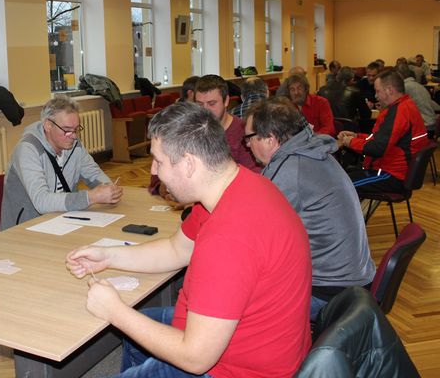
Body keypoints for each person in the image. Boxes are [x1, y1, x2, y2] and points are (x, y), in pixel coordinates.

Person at [66, 102, 312, 377]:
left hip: (231, 369)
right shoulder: (236, 188)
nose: (154, 171)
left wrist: (115, 311)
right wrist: (108, 255)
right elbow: (176, 249)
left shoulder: (229, 237)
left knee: (128, 322)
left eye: (159, 161)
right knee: (137, 331)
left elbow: (196, 358)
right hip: (241, 341)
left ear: (189, 164)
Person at [245, 98, 375, 320]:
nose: (247, 145)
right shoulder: (312, 150)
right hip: (354, 283)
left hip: (330, 294)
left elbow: (249, 228)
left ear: (270, 139)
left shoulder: (289, 168)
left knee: (239, 306)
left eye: (249, 138)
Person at [0, 95, 122, 230]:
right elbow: (41, 201)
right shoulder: (28, 150)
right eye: (67, 130)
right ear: (48, 125)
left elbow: (93, 174)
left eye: (76, 129)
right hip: (25, 227)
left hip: (63, 220)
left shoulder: (74, 145)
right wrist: (90, 197)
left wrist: (109, 188)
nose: (74, 136)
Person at [338, 70, 430, 194]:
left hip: (391, 176)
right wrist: (357, 136)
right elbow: (380, 139)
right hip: (393, 171)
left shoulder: (398, 112)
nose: (376, 96)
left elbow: (377, 148)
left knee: (339, 186)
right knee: (341, 176)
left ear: (390, 90)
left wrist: (351, 142)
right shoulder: (405, 106)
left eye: (378, 91)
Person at [317, 66, 371, 131]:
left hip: (326, 128)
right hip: (348, 130)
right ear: (351, 80)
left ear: (337, 77)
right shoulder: (355, 92)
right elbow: (366, 115)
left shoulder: (322, 90)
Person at [395, 62, 439, 135]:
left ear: (399, 75)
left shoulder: (405, 87)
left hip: (423, 127)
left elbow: (396, 107)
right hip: (431, 124)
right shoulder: (419, 86)